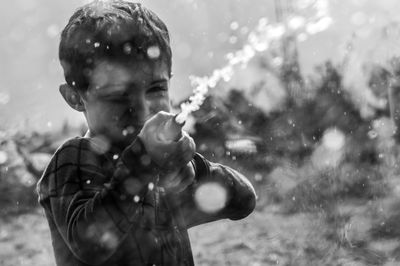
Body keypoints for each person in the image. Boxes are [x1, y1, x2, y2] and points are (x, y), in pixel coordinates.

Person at [36, 1, 256, 265]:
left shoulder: (159, 173)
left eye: (156, 89)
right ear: (75, 97)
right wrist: (143, 164)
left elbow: (243, 201)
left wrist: (194, 169)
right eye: (118, 96)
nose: (142, 111)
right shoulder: (74, 160)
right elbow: (91, 244)